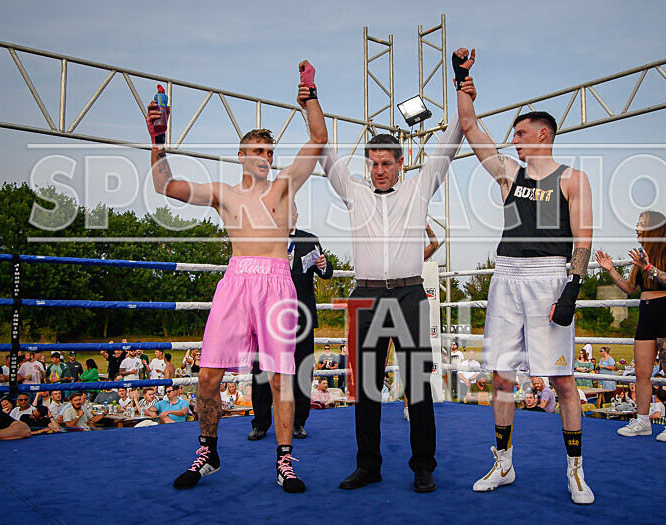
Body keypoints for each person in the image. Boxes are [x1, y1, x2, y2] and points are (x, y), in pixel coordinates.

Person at [148, 61, 326, 494]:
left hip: (277, 282)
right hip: (236, 282)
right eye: (257, 150)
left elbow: (318, 139)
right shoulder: (223, 193)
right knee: (208, 376)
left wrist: (310, 95)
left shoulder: (284, 186)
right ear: (241, 155)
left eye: (270, 151)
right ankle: (208, 452)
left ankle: (285, 461)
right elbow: (165, 186)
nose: (265, 156)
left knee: (281, 378)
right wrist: (157, 143)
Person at [316, 51, 463, 494]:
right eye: (373, 163)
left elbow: (453, 138)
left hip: (409, 295)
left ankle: (423, 466)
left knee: (417, 385)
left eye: (387, 163)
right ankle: (368, 465)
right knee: (365, 388)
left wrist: (461, 82)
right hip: (366, 296)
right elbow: (322, 147)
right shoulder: (354, 192)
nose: (379, 170)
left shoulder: (419, 188)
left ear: (401, 162)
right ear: (368, 165)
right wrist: (311, 98)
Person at [456, 49, 594, 503]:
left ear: (543, 134)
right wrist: (461, 80)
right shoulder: (509, 175)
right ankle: (503, 462)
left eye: (520, 133)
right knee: (501, 378)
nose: (514, 141)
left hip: (550, 276)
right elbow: (471, 128)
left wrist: (573, 289)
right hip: (507, 275)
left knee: (563, 381)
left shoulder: (572, 178)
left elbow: (584, 238)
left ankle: (575, 470)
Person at [596, 210, 666, 442]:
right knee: (642, 373)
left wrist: (648, 267)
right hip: (646, 314)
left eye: (641, 224)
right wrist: (611, 270)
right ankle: (643, 421)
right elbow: (629, 288)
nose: (637, 228)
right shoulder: (641, 255)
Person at [249, 208, 334, 441]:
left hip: (301, 316)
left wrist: (323, 264)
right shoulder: (265, 240)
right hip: (269, 317)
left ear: (296, 216)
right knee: (262, 370)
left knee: (302, 370)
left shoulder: (309, 239)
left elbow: (326, 273)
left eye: (291, 212)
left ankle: (298, 422)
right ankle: (261, 423)